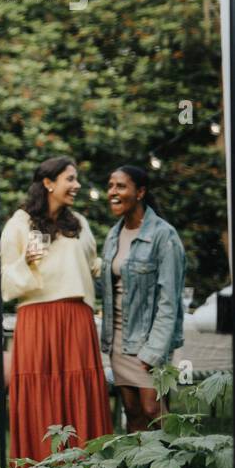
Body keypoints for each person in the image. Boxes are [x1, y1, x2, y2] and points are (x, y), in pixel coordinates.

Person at [0, 155, 111, 468]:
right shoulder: (20, 223)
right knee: (40, 387)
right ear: (49, 183)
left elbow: (94, 265)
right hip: (37, 318)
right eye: (70, 179)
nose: (76, 185)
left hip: (76, 317)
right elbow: (2, 275)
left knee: (78, 385)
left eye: (76, 179)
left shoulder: (79, 223)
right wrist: (26, 261)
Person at [99, 165, 187, 431]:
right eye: (110, 186)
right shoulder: (113, 235)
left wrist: (154, 351)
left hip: (149, 342)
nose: (113, 192)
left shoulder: (164, 235)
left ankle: (178, 467)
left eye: (121, 186)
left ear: (140, 192)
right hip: (118, 340)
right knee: (133, 411)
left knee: (153, 410)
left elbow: (169, 301)